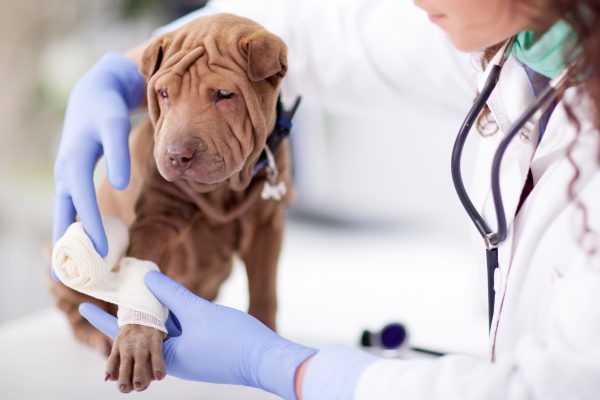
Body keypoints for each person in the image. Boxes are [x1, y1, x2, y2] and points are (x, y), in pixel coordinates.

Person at [54, 0, 600, 398]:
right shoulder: (522, 38)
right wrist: (125, 71)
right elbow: (316, 34)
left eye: (221, 97)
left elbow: (549, 388)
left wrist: (281, 365)